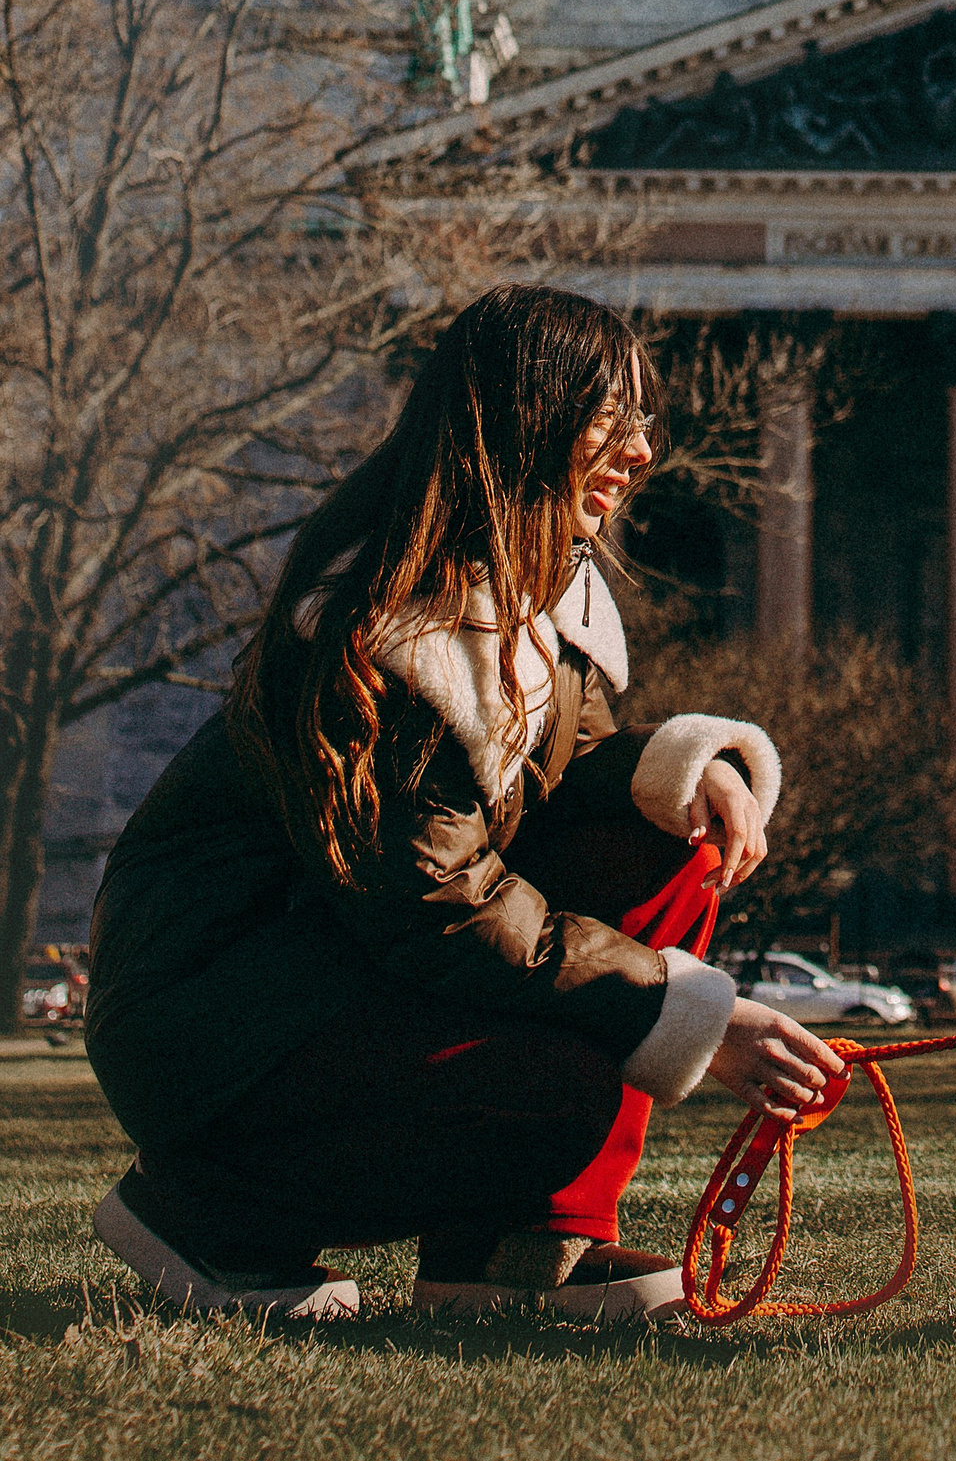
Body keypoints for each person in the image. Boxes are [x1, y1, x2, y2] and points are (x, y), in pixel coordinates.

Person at [84, 285, 838, 1325]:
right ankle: (206, 1211)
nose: (640, 452)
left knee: (669, 835)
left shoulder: (544, 601)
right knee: (555, 1089)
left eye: (643, 422)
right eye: (609, 418)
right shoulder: (379, 629)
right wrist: (697, 1010)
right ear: (523, 420)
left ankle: (516, 1247)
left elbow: (557, 776)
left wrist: (679, 767)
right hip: (218, 1024)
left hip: (338, 974)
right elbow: (438, 904)